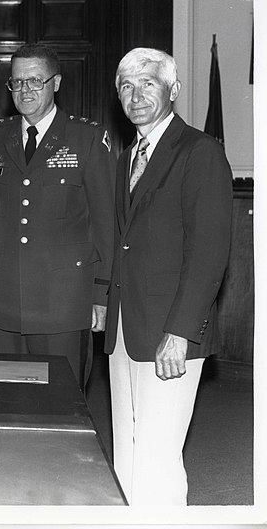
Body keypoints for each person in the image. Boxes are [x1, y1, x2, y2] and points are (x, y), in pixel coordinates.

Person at [104, 48, 232, 505]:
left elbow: (209, 254)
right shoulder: (126, 159)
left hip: (169, 331)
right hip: (124, 329)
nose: (135, 96)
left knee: (158, 455)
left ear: (173, 90)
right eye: (126, 86)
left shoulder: (200, 152)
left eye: (148, 84)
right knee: (126, 451)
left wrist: (180, 333)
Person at [0, 43, 115, 387]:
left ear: (56, 83)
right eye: (17, 82)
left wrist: (101, 296)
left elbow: (105, 225)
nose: (25, 90)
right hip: (3, 301)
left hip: (63, 301)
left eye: (35, 81)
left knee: (63, 402)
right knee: (4, 399)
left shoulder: (86, 138)